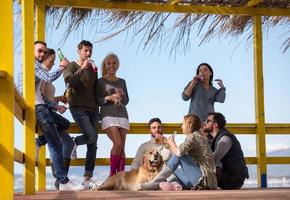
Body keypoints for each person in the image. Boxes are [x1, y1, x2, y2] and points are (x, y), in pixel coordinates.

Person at [17, 41, 82, 191]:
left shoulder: (33, 66)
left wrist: (55, 106)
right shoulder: (32, 64)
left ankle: (40, 141)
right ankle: (63, 182)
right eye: (40, 51)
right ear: (30, 51)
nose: (42, 55)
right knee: (55, 144)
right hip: (38, 108)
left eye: (44, 52)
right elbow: (49, 78)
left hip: (40, 106)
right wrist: (62, 67)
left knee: (64, 124)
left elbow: (38, 94)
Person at [139, 114, 217, 191]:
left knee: (179, 156)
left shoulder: (193, 137)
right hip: (203, 182)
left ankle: (154, 183)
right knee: (171, 165)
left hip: (203, 181)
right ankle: (176, 185)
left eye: (182, 124)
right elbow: (175, 157)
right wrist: (167, 143)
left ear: (188, 125)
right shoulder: (197, 136)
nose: (181, 126)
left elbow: (178, 154)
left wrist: (172, 142)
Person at [35, 48, 74, 190]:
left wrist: (59, 100)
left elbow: (47, 98)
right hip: (43, 110)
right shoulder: (43, 74)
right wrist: (62, 67)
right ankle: (61, 180)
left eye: (53, 61)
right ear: (43, 60)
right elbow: (42, 97)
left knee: (64, 134)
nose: (52, 64)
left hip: (46, 109)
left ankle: (61, 180)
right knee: (58, 144)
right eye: (50, 61)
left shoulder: (44, 74)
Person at [63, 40, 99, 190]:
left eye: (90, 51)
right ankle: (75, 141)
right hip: (77, 107)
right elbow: (69, 81)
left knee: (93, 143)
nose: (88, 54)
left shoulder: (93, 69)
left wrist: (100, 112)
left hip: (93, 108)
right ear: (78, 51)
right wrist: (82, 69)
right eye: (85, 51)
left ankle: (86, 180)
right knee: (92, 136)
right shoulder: (71, 65)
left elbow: (95, 90)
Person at [97, 53, 129, 176]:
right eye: (109, 63)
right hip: (107, 115)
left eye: (114, 63)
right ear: (106, 65)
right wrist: (109, 97)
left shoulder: (122, 81)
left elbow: (126, 102)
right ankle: (112, 176)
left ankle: (120, 179)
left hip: (122, 114)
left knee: (122, 148)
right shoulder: (100, 81)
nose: (112, 66)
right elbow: (97, 100)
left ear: (118, 65)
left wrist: (122, 96)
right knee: (118, 143)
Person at [203, 112, 249, 189]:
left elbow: (213, 159)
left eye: (208, 121)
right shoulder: (212, 138)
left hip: (233, 179)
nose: (204, 123)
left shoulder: (225, 139)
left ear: (215, 125)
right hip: (227, 176)